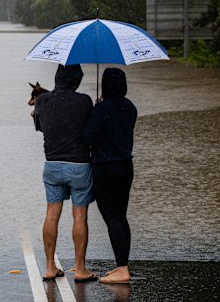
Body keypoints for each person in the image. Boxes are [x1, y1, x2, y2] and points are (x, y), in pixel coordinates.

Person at [33, 64, 98, 283]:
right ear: (76, 80)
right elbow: (91, 130)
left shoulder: (42, 101)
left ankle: (50, 267)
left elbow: (41, 127)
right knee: (79, 215)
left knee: (52, 213)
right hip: (79, 165)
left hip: (52, 165)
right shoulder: (84, 101)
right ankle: (80, 269)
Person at [83, 68, 137, 284]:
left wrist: (96, 110)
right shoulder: (130, 107)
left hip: (105, 168)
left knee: (111, 217)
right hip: (125, 167)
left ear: (105, 84)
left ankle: (122, 270)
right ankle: (122, 265)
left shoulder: (102, 109)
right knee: (121, 216)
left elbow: (87, 138)